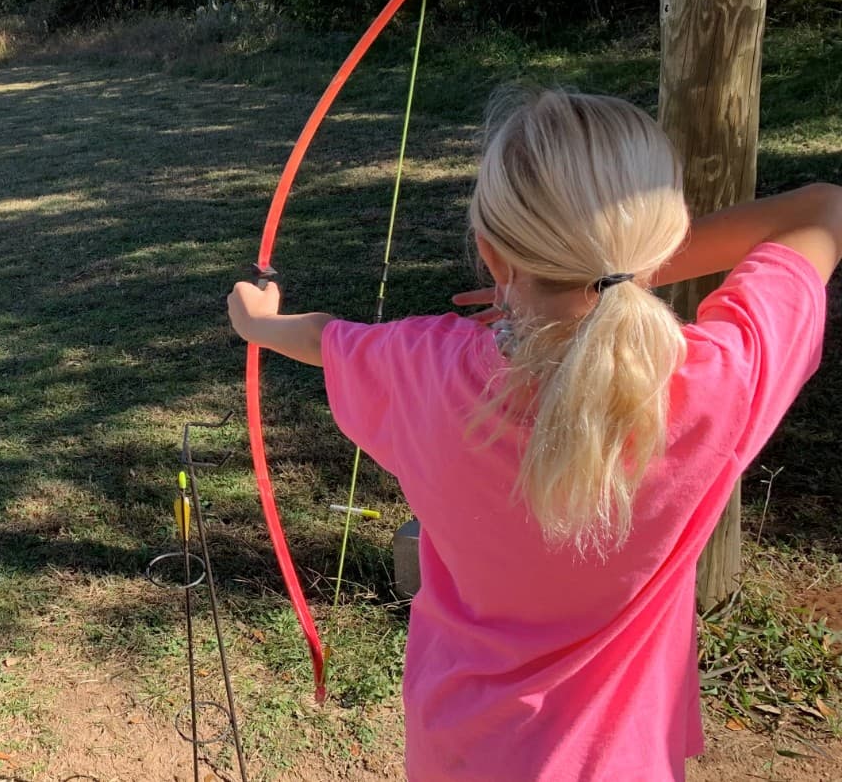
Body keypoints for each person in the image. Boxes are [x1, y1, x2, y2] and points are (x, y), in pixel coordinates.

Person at [227, 88, 837, 781]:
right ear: (663, 238)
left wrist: (256, 322)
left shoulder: (422, 366)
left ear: (491, 255)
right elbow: (823, 209)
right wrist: (601, 273)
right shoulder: (719, 384)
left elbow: (323, 337)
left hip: (459, 754)